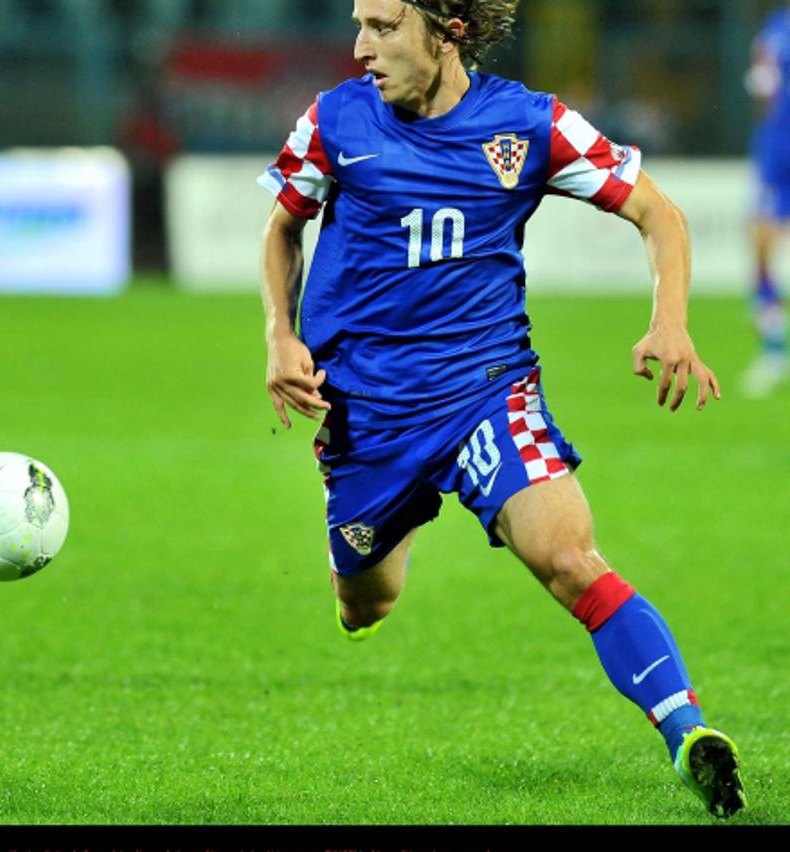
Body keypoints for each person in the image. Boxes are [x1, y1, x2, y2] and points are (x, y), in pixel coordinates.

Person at [257, 0, 745, 819]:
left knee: (568, 557)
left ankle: (688, 732)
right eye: (359, 25)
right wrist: (280, 334)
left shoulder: (529, 125)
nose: (361, 47)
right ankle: (378, 546)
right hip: (369, 412)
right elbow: (282, 229)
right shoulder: (334, 121)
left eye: (383, 27)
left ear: (447, 29)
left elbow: (659, 212)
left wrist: (670, 321)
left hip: (486, 389)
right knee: (365, 602)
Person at [744, 3, 790, 397]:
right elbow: (762, 88)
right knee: (760, 245)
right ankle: (773, 348)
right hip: (777, 153)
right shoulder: (775, 28)